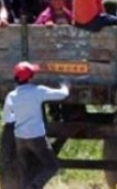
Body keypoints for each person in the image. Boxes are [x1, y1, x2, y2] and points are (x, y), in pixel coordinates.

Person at [5, 61, 69, 189]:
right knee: (52, 166)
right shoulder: (37, 91)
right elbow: (62, 95)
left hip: (20, 138)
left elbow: (7, 118)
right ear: (30, 78)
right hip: (36, 137)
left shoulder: (11, 96)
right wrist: (65, 86)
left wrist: (20, 118)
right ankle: (35, 186)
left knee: (25, 171)